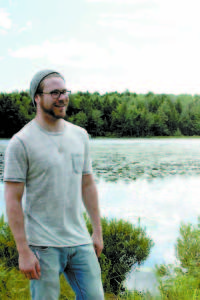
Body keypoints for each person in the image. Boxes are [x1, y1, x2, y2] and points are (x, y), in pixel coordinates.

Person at [3, 70, 104, 300]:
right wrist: (23, 251)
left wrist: (97, 231)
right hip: (43, 247)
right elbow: (12, 199)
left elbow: (87, 185)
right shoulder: (21, 142)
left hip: (80, 242)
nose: (62, 97)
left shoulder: (80, 136)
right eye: (55, 92)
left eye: (65, 91)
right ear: (37, 98)